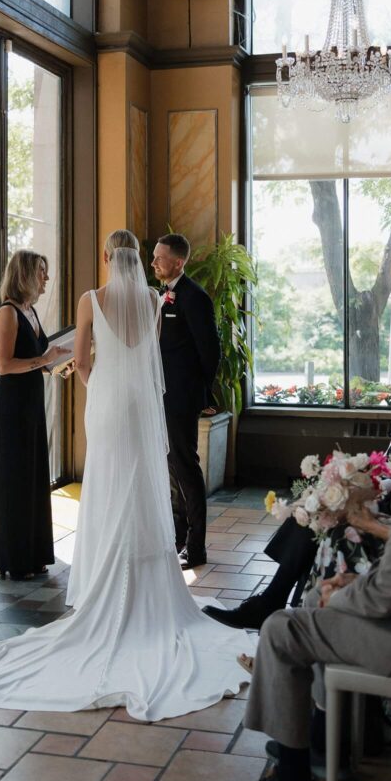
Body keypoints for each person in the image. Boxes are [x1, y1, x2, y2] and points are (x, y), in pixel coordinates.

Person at [0, 230, 252, 720]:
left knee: (106, 487)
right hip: (142, 403)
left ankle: (105, 578)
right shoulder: (153, 300)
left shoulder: (91, 299)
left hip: (106, 403)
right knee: (144, 483)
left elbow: (81, 360)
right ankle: (147, 577)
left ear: (106, 257)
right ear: (136, 259)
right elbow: (149, 359)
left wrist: (97, 384)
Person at [228, 372, 391, 781]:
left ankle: (292, 778)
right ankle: (325, 745)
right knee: (316, 599)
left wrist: (338, 594)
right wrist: (343, 589)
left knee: (282, 627)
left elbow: (386, 596)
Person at [205, 350, 391, 633]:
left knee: (334, 528)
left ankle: (297, 619)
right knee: (319, 502)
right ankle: (280, 607)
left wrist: (369, 520)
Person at [0, 250, 70, 580]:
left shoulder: (31, 312)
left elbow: (37, 359)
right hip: (13, 408)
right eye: (41, 271)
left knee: (34, 480)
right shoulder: (8, 313)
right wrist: (45, 360)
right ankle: (15, 559)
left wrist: (58, 365)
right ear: (24, 274)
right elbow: (5, 366)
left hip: (32, 403)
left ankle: (34, 554)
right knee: (16, 482)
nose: (46, 278)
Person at [152, 233, 220, 569]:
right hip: (163, 395)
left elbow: (211, 351)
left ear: (178, 262)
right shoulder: (162, 295)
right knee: (172, 467)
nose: (153, 263)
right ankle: (178, 539)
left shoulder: (195, 297)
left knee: (186, 468)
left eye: (159, 258)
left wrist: (203, 394)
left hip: (181, 397)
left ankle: (196, 547)